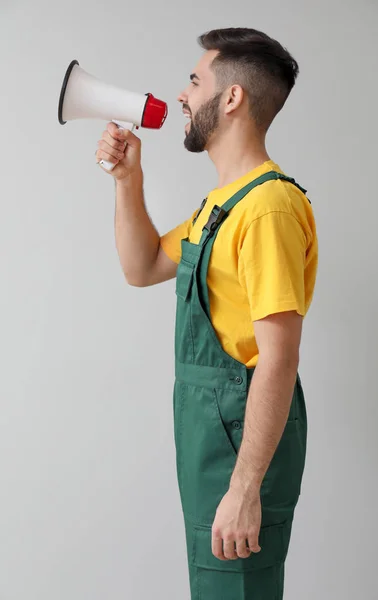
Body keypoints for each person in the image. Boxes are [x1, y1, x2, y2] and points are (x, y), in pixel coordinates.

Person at [95, 27, 318, 600]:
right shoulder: (221, 204)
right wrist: (128, 180)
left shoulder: (266, 209)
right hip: (210, 438)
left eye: (195, 81)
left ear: (233, 99)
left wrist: (246, 487)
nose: (183, 95)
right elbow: (141, 266)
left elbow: (279, 357)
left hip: (240, 443)